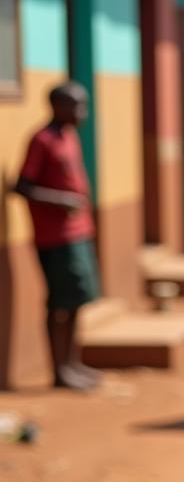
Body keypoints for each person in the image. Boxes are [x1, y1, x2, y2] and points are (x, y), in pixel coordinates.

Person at [14, 82, 102, 391]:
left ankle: (72, 362)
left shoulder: (70, 136)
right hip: (55, 238)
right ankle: (59, 371)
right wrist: (60, 201)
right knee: (59, 303)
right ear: (57, 106)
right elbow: (22, 186)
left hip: (79, 233)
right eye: (77, 106)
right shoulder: (42, 140)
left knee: (78, 299)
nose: (82, 113)